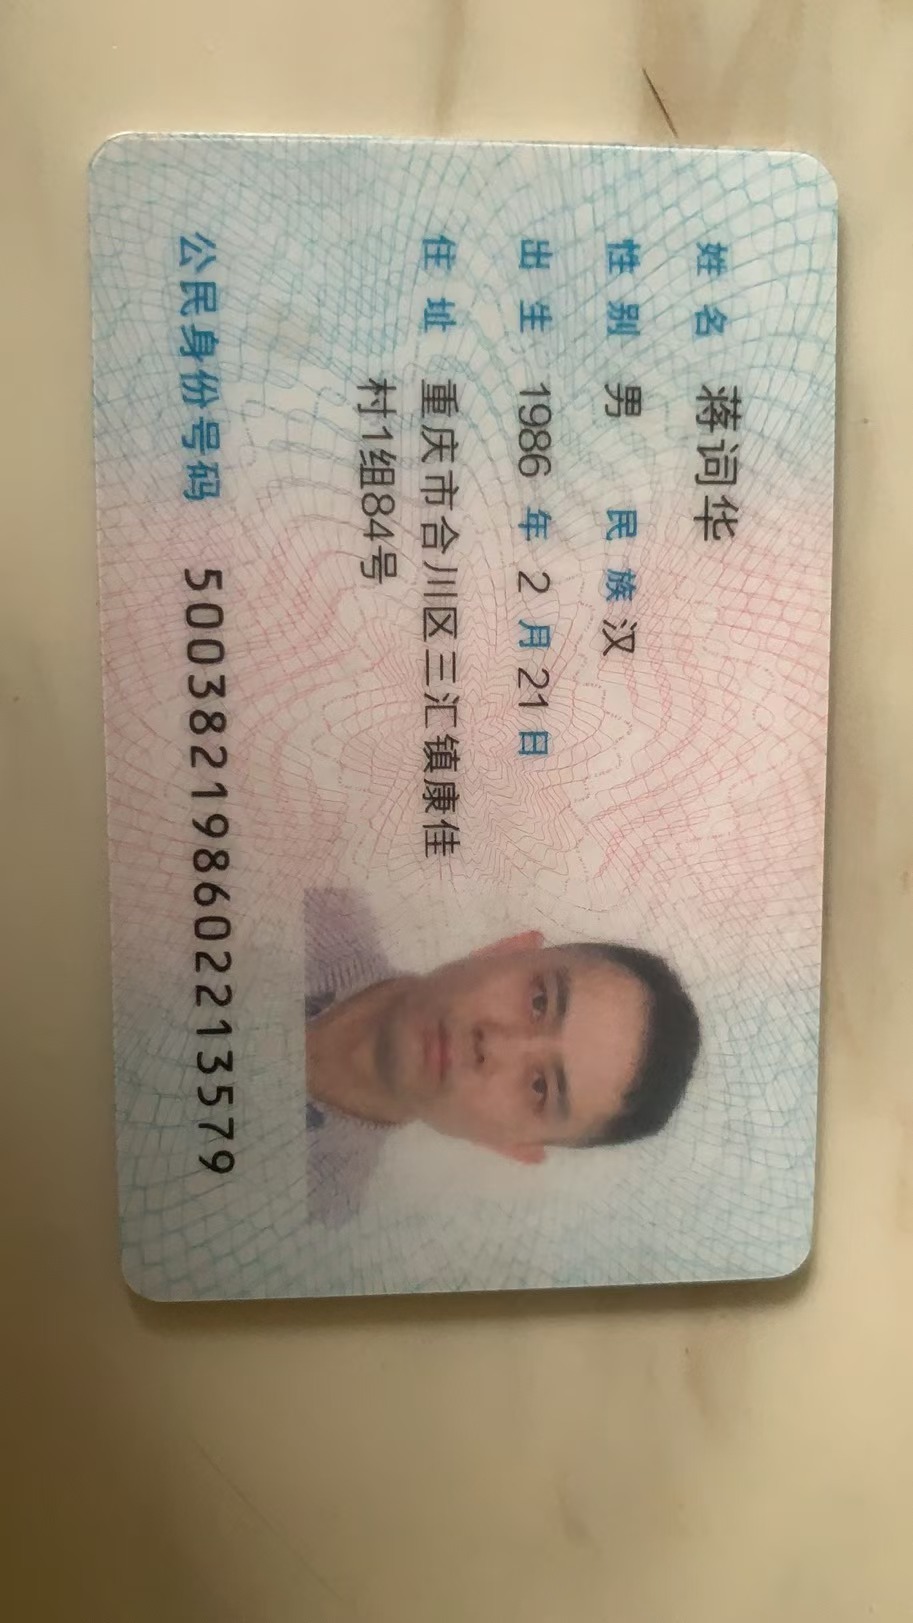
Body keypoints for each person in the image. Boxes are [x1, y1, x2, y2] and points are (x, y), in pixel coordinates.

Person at [306, 927, 700, 1170]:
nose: (496, 1044)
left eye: (539, 1087)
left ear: (513, 1146)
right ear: (509, 948)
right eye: (539, 1002)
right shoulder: (313, 907)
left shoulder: (324, 1205)